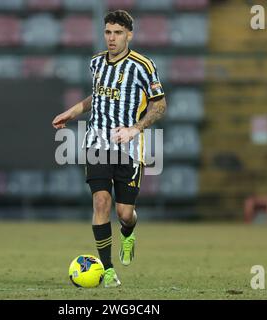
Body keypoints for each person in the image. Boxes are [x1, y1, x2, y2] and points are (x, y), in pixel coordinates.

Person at [52, 10, 167, 288]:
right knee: (101, 202)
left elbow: (159, 105)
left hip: (129, 147)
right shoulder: (95, 63)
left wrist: (134, 129)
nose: (111, 38)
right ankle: (108, 270)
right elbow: (98, 94)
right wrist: (73, 111)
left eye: (117, 33)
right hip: (96, 143)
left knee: (124, 213)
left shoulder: (143, 65)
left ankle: (128, 233)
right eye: (107, 32)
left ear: (129, 34)